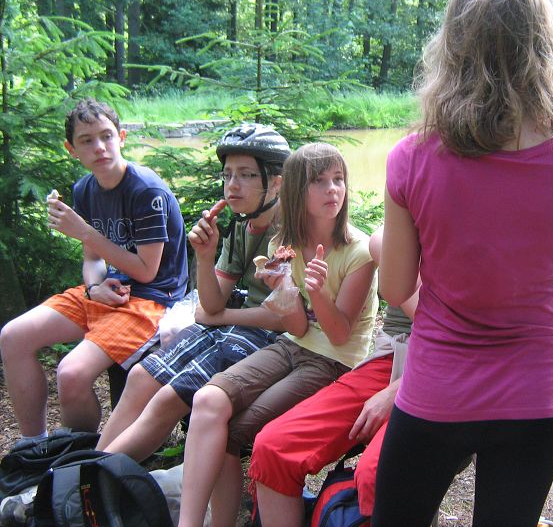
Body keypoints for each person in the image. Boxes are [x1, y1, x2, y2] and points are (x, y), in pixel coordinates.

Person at [374, 0, 553, 527]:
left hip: (437, 391)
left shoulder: (411, 158)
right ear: (542, 50)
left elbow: (395, 285)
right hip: (537, 394)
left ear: (451, 47)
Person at [176, 142, 378, 527]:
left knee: (233, 433)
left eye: (338, 180)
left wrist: (318, 292)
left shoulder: (359, 251)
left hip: (334, 363)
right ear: (296, 190)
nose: (333, 189)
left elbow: (338, 335)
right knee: (207, 400)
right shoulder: (282, 247)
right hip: (291, 346)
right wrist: (284, 294)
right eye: (319, 181)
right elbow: (298, 327)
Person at [95, 124, 291, 461]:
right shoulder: (241, 226)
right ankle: (89, 471)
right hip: (233, 325)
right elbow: (210, 304)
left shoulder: (292, 232)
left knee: (168, 399)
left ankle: (93, 480)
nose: (233, 185)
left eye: (246, 175)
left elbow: (283, 316)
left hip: (272, 339)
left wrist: (221, 315)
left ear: (276, 182)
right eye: (228, 174)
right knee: (141, 376)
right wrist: (205, 255)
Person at [0, 98, 189, 442]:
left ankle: (79, 454)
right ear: (72, 149)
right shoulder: (85, 189)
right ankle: (35, 445)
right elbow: (92, 259)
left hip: (152, 299)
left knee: (70, 373)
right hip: (110, 291)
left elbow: (147, 271)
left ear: (121, 137)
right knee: (13, 336)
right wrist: (93, 287)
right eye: (87, 140)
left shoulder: (146, 190)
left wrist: (85, 232)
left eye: (106, 136)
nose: (99, 147)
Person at [250, 225, 417, 527]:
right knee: (273, 447)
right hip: (393, 357)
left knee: (377, 476)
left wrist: (400, 390)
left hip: (449, 371)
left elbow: (459, 334)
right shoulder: (392, 234)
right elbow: (299, 328)